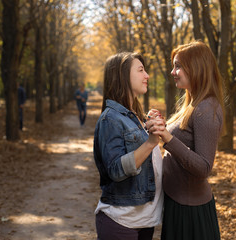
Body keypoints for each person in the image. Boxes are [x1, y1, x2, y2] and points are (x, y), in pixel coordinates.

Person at [146, 41, 224, 240]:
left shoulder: (207, 109)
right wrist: (160, 124)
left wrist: (167, 137)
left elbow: (204, 168)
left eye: (178, 66)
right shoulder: (193, 103)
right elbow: (182, 138)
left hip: (190, 213)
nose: (173, 72)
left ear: (197, 67)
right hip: (177, 203)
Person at [93, 52, 164, 240]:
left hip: (145, 221)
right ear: (122, 76)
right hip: (121, 223)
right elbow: (115, 170)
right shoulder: (110, 119)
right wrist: (150, 143)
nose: (147, 75)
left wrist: (150, 124)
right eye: (141, 70)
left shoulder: (134, 117)